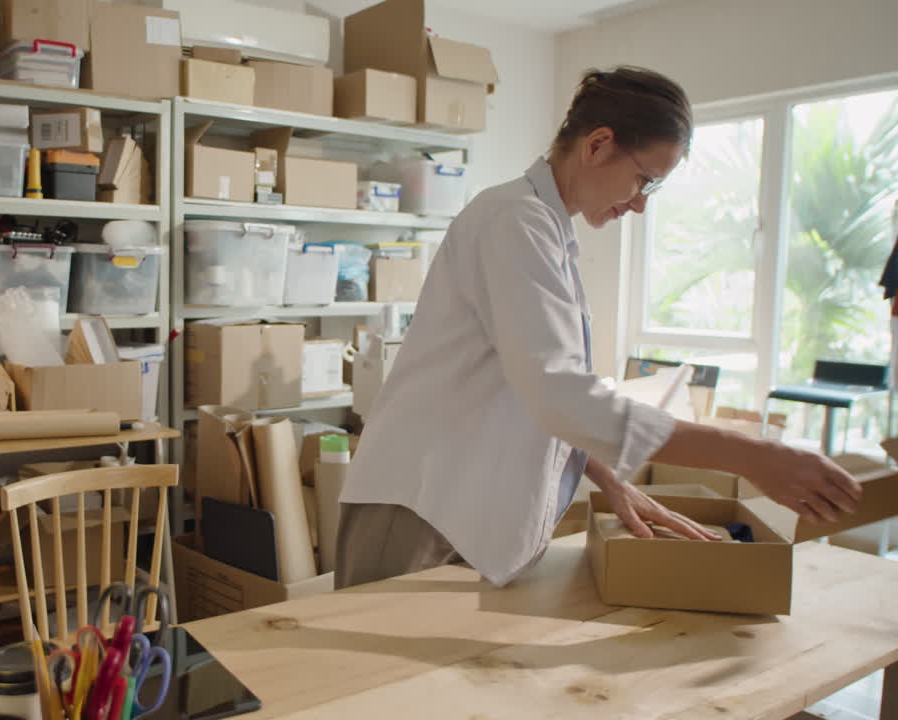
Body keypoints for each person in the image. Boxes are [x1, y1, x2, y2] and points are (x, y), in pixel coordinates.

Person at [335, 66, 862, 590]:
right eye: (643, 178)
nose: (639, 202)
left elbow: (529, 386)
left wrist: (610, 479)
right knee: (358, 675)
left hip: (461, 505)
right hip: (420, 503)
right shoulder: (513, 220)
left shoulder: (545, 229)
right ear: (598, 144)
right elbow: (560, 393)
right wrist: (753, 456)